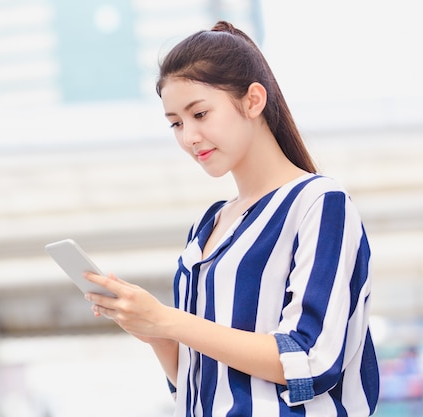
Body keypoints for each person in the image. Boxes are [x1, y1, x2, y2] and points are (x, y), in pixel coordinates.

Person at [83, 20, 380, 416]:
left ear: (253, 100)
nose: (188, 136)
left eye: (200, 113)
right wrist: (154, 332)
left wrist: (168, 321)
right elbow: (197, 382)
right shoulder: (207, 226)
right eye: (176, 123)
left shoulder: (319, 203)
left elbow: (310, 359)